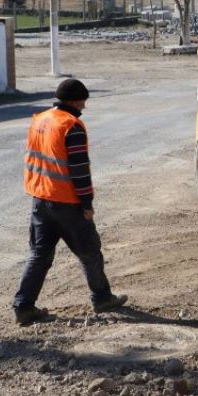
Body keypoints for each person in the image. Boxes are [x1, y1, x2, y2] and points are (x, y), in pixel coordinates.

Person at [13, 79, 126, 326]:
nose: (84, 106)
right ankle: (102, 297)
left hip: (40, 199)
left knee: (39, 255)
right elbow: (78, 170)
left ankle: (23, 307)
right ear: (74, 101)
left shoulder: (40, 120)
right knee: (89, 252)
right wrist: (87, 203)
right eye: (83, 101)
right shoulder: (71, 126)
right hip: (66, 202)